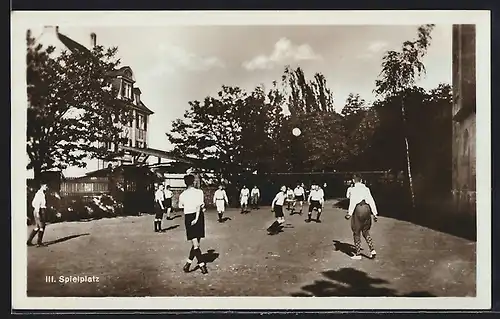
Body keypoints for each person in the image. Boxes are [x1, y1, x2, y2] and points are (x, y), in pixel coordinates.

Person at [179, 174, 208, 274]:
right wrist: (196, 218)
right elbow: (200, 206)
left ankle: (188, 264)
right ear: (193, 182)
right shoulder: (199, 192)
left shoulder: (182, 195)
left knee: (196, 244)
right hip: (198, 216)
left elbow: (181, 205)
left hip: (189, 217)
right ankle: (201, 265)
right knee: (196, 244)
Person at [345, 174, 378, 260]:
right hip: (367, 209)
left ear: (353, 180)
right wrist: (374, 213)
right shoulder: (366, 189)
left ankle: (358, 253)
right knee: (366, 231)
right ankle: (372, 250)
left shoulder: (353, 189)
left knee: (356, 231)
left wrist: (349, 213)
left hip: (358, 209)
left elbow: (351, 200)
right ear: (361, 180)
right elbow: (371, 200)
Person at [27, 183, 49, 247]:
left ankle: (29, 241)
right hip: (40, 211)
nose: (46, 187)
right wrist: (37, 212)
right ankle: (39, 243)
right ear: (42, 186)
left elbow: (33, 203)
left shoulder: (41, 193)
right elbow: (36, 204)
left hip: (39, 210)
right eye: (45, 186)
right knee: (42, 226)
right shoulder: (40, 194)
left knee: (37, 227)